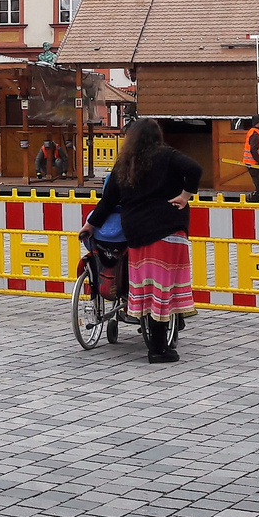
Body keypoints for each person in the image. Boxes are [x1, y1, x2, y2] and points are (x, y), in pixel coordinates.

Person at [77, 119, 201, 363]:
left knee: (146, 287)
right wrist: (185, 196)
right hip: (168, 230)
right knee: (165, 288)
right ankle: (158, 348)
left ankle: (156, 342)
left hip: (136, 233)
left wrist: (91, 225)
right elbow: (195, 169)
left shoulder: (125, 163)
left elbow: (108, 200)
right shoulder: (167, 155)